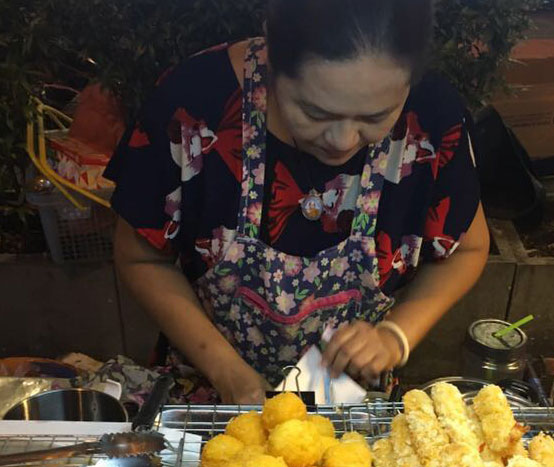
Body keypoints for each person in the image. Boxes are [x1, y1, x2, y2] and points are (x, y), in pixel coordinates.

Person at [106, 0, 490, 404]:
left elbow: (467, 250)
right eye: (314, 113)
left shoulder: (431, 116)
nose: (342, 141)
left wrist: (396, 335)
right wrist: (225, 370)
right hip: (205, 393)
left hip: (349, 404)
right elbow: (142, 258)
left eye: (375, 117)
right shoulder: (193, 103)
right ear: (272, 51)